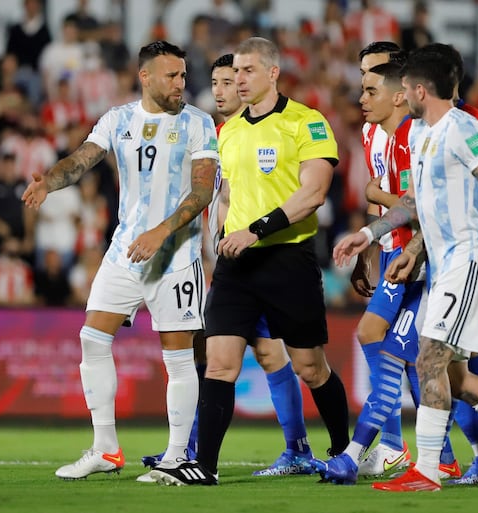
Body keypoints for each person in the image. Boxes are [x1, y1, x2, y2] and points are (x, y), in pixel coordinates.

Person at [333, 43, 478, 492]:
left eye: (405, 87)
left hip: (470, 259)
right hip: (441, 262)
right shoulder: (420, 134)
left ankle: (428, 470)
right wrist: (377, 237)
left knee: (429, 359)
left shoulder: (464, 129)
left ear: (417, 89)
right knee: (455, 376)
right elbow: (418, 204)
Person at [150, 37, 350, 486]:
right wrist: (217, 240)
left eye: (247, 71)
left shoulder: (307, 123)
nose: (237, 80)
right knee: (220, 363)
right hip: (236, 265)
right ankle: (205, 467)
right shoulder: (230, 130)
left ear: (273, 73)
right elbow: (226, 197)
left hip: (288, 260)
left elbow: (314, 194)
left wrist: (254, 230)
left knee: (310, 367)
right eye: (234, 72)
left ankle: (341, 451)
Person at [22, 40, 219, 480]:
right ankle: (106, 448)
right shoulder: (119, 119)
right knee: (92, 339)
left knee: (178, 357)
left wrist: (162, 231)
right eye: (172, 75)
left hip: (175, 256)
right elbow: (80, 160)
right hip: (125, 251)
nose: (181, 83)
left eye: (184, 75)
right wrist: (49, 183)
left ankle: (176, 456)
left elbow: (203, 191)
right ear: (145, 76)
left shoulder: (198, 123)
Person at [344, 41, 421, 478]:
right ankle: (401, 446)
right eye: (362, 76)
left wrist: (377, 197)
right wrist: (368, 246)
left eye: (373, 77)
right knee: (396, 348)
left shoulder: (411, 130)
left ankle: (401, 446)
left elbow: (408, 199)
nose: (364, 87)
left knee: (416, 355)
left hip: (418, 250)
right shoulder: (373, 130)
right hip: (390, 247)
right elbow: (384, 202)